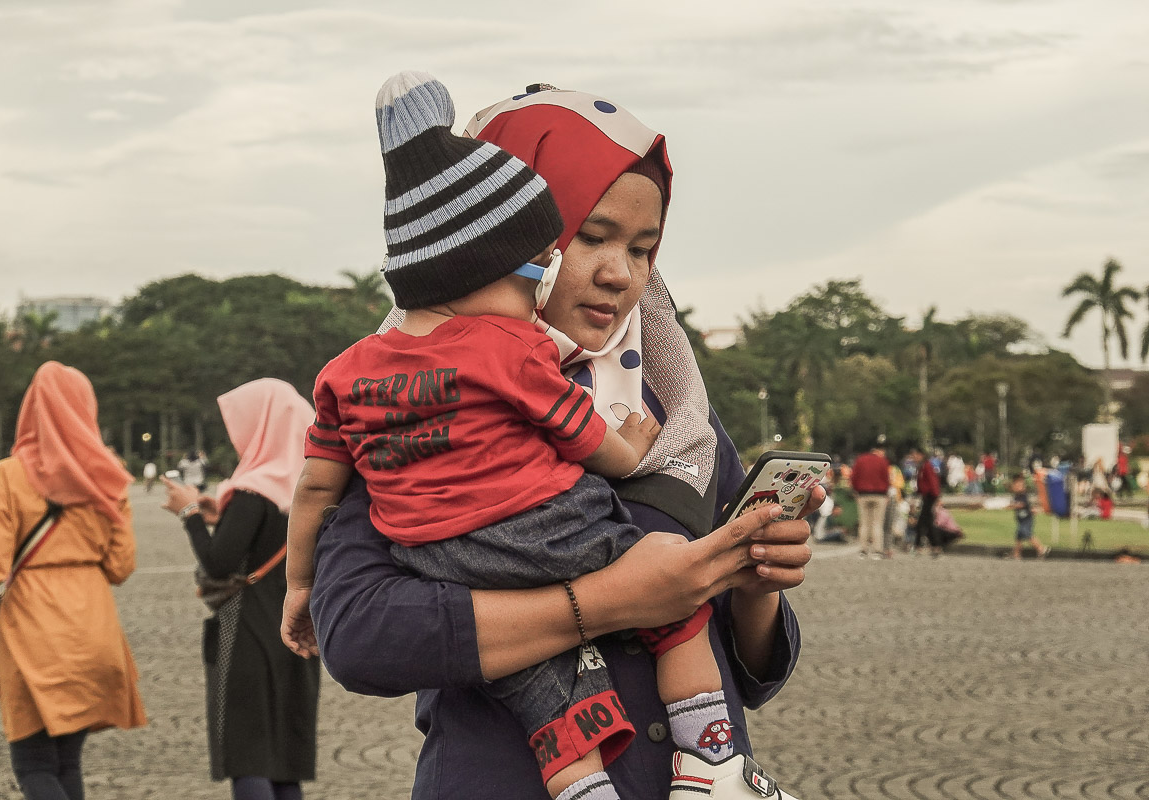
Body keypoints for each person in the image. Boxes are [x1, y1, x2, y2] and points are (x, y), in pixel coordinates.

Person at [307, 81, 818, 800]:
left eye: (644, 250)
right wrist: (610, 599)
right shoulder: (409, 406)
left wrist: (756, 582)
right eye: (592, 235)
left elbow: (751, 669)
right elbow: (361, 637)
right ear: (502, 241)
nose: (622, 274)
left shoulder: (678, 419)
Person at [0, 361, 146, 800]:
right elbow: (121, 566)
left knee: (34, 765)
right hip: (94, 625)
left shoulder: (9, 474)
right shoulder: (108, 474)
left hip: (33, 627)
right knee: (67, 762)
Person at [160, 379, 320, 800]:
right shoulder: (315, 489)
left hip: (247, 634)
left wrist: (191, 512)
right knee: (286, 762)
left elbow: (217, 564)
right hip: (301, 631)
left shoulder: (253, 489)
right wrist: (220, 518)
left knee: (248, 755)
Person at [849, 440, 889, 558]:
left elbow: (853, 476)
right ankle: (877, 550)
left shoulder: (860, 460)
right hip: (880, 494)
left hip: (863, 494)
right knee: (877, 523)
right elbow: (886, 478)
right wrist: (886, 492)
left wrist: (855, 490)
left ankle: (863, 550)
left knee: (864, 523)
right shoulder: (883, 461)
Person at [1008, 474, 1048, 559]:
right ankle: (1016, 553)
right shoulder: (1016, 496)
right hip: (1021, 520)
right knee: (1018, 537)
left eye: (1020, 485)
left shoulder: (1023, 496)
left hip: (1027, 519)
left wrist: (1014, 505)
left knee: (1027, 534)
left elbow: (1022, 504)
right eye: (1016, 485)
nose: (1017, 487)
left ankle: (1041, 548)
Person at [912, 448, 942, 555]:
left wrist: (937, 497)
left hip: (930, 496)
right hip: (926, 496)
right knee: (926, 522)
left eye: (915, 455)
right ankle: (933, 546)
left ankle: (920, 545)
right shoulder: (922, 467)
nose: (914, 457)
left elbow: (933, 482)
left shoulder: (927, 466)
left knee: (924, 521)